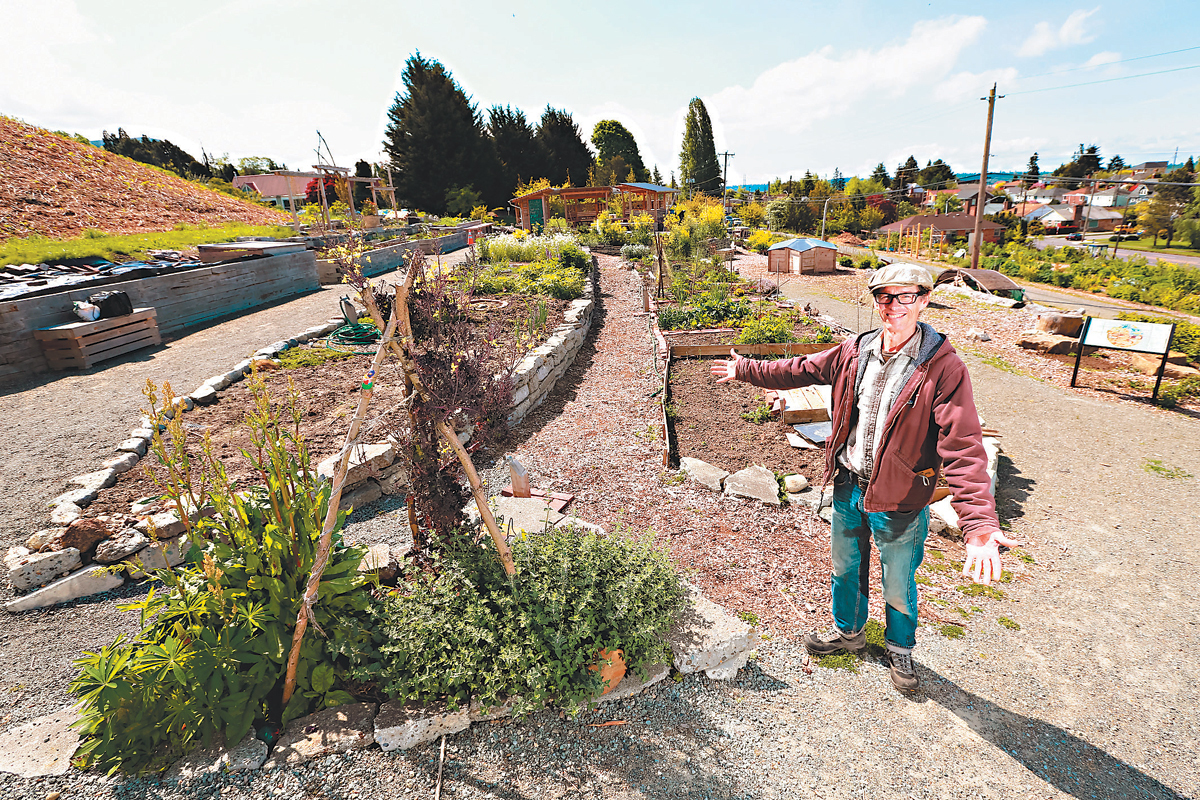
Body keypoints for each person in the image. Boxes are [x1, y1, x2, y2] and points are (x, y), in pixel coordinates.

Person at [710, 263, 1017, 691]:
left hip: (901, 500)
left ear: (924, 300)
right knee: (845, 568)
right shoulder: (857, 349)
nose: (893, 306)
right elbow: (801, 368)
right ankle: (850, 634)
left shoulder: (943, 369)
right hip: (849, 485)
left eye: (905, 296)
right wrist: (747, 370)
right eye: (884, 297)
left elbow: (963, 446)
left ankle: (900, 650)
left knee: (897, 581)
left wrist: (980, 523)